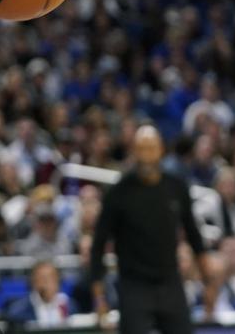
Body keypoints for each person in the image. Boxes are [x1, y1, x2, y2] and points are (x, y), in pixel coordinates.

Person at [90, 124, 217, 334]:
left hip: (170, 281)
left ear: (161, 150)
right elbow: (98, 245)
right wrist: (99, 297)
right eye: (141, 148)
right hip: (134, 286)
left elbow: (194, 237)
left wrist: (209, 284)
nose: (146, 155)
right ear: (133, 151)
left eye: (151, 148)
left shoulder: (176, 187)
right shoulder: (118, 192)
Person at [5, 260, 75, 328]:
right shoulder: (20, 311)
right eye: (43, 278)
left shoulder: (69, 306)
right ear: (33, 281)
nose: (48, 283)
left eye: (51, 277)